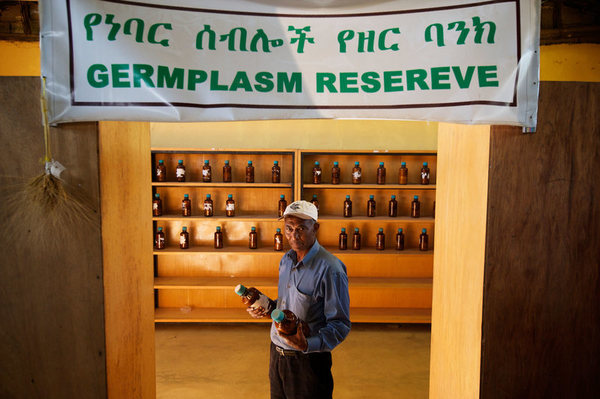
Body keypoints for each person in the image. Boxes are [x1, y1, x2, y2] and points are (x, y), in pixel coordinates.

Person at [246, 200, 351, 399]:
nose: (294, 235)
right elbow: (288, 304)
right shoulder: (287, 260)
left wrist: (306, 344)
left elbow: (340, 324)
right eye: (289, 228)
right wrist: (267, 307)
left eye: (301, 228)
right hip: (277, 354)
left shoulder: (331, 269)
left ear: (316, 228)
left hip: (308, 362)